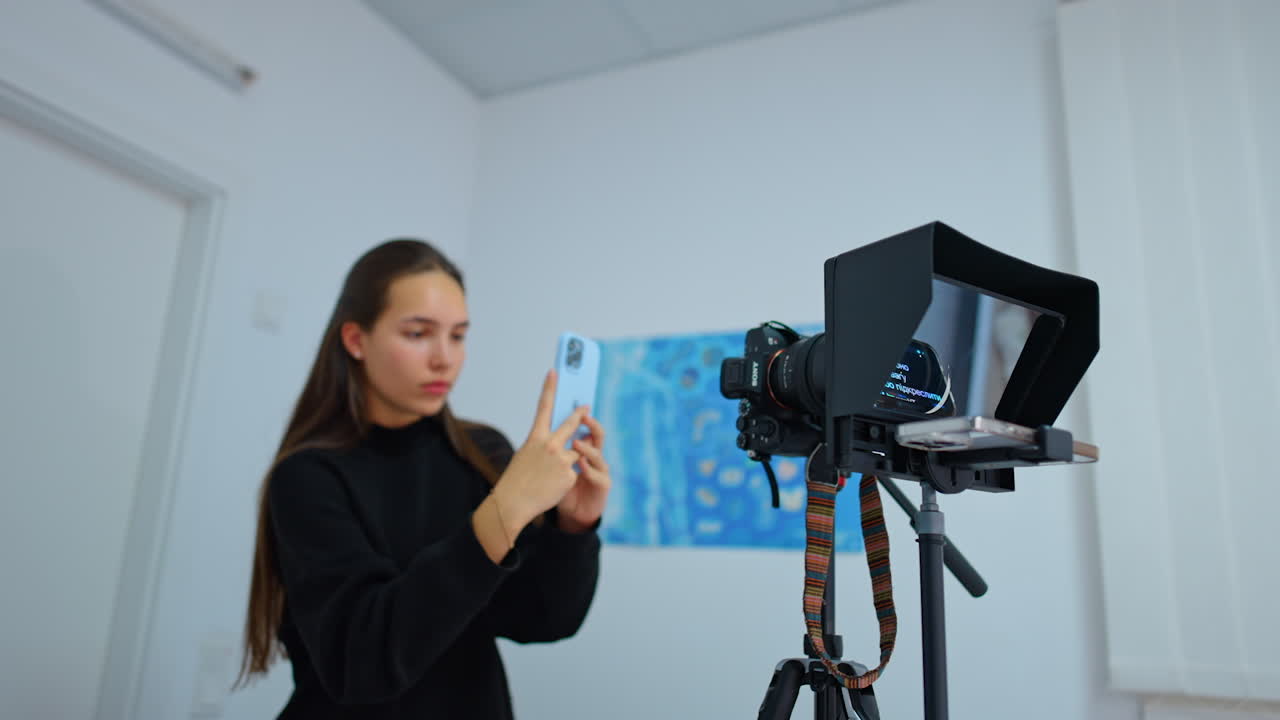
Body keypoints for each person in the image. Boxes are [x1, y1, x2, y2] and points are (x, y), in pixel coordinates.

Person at [235, 238, 610, 719]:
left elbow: (542, 618)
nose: (444, 358)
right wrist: (505, 510)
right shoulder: (309, 477)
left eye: (458, 336)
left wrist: (573, 530)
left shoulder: (482, 452)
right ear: (355, 340)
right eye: (418, 334)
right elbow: (363, 663)